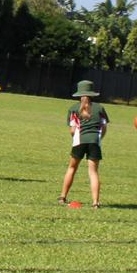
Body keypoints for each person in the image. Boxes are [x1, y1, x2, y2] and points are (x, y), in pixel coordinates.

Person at [58, 80, 109, 208]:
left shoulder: (74, 109)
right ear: (92, 93)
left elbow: (72, 130)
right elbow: (103, 127)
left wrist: (75, 138)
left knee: (72, 168)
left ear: (79, 94)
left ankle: (62, 197)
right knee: (93, 172)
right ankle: (95, 203)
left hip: (79, 142)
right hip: (94, 142)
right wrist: (99, 139)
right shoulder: (100, 108)